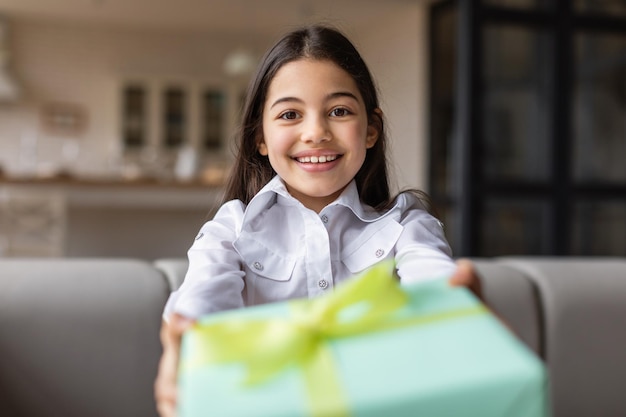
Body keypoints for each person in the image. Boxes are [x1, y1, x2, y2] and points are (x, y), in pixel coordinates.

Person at [154, 24, 481, 417]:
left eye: (339, 111)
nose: (315, 133)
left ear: (371, 129)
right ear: (260, 136)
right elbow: (201, 301)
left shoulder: (406, 223)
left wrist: (458, 308)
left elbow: (435, 281)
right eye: (290, 114)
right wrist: (182, 344)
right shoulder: (233, 229)